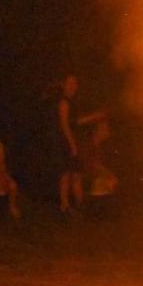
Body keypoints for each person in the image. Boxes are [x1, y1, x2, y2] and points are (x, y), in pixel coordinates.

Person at [56, 74, 105, 216]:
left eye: (74, 83)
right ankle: (65, 205)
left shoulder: (72, 102)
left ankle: (80, 205)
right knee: (66, 174)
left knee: (75, 174)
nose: (72, 86)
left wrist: (94, 117)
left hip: (73, 142)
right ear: (64, 85)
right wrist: (71, 144)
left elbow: (77, 121)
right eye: (69, 83)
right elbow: (65, 124)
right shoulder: (64, 103)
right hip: (67, 143)